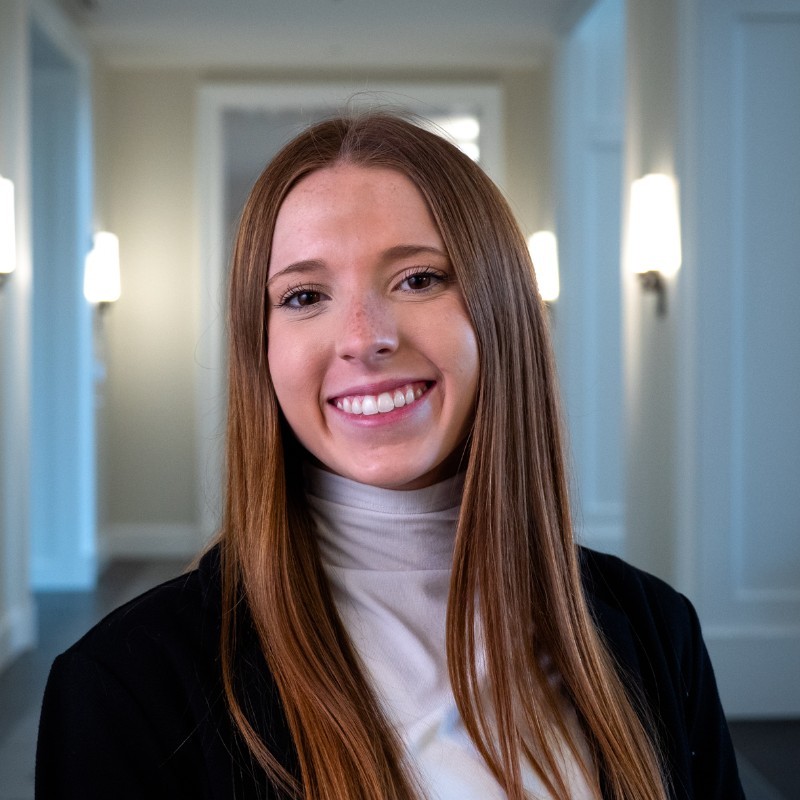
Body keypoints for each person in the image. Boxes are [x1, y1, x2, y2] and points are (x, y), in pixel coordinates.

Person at [35, 111, 744, 800]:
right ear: (263, 347)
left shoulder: (659, 631)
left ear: (504, 312)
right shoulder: (122, 685)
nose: (363, 336)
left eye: (418, 279)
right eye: (305, 295)